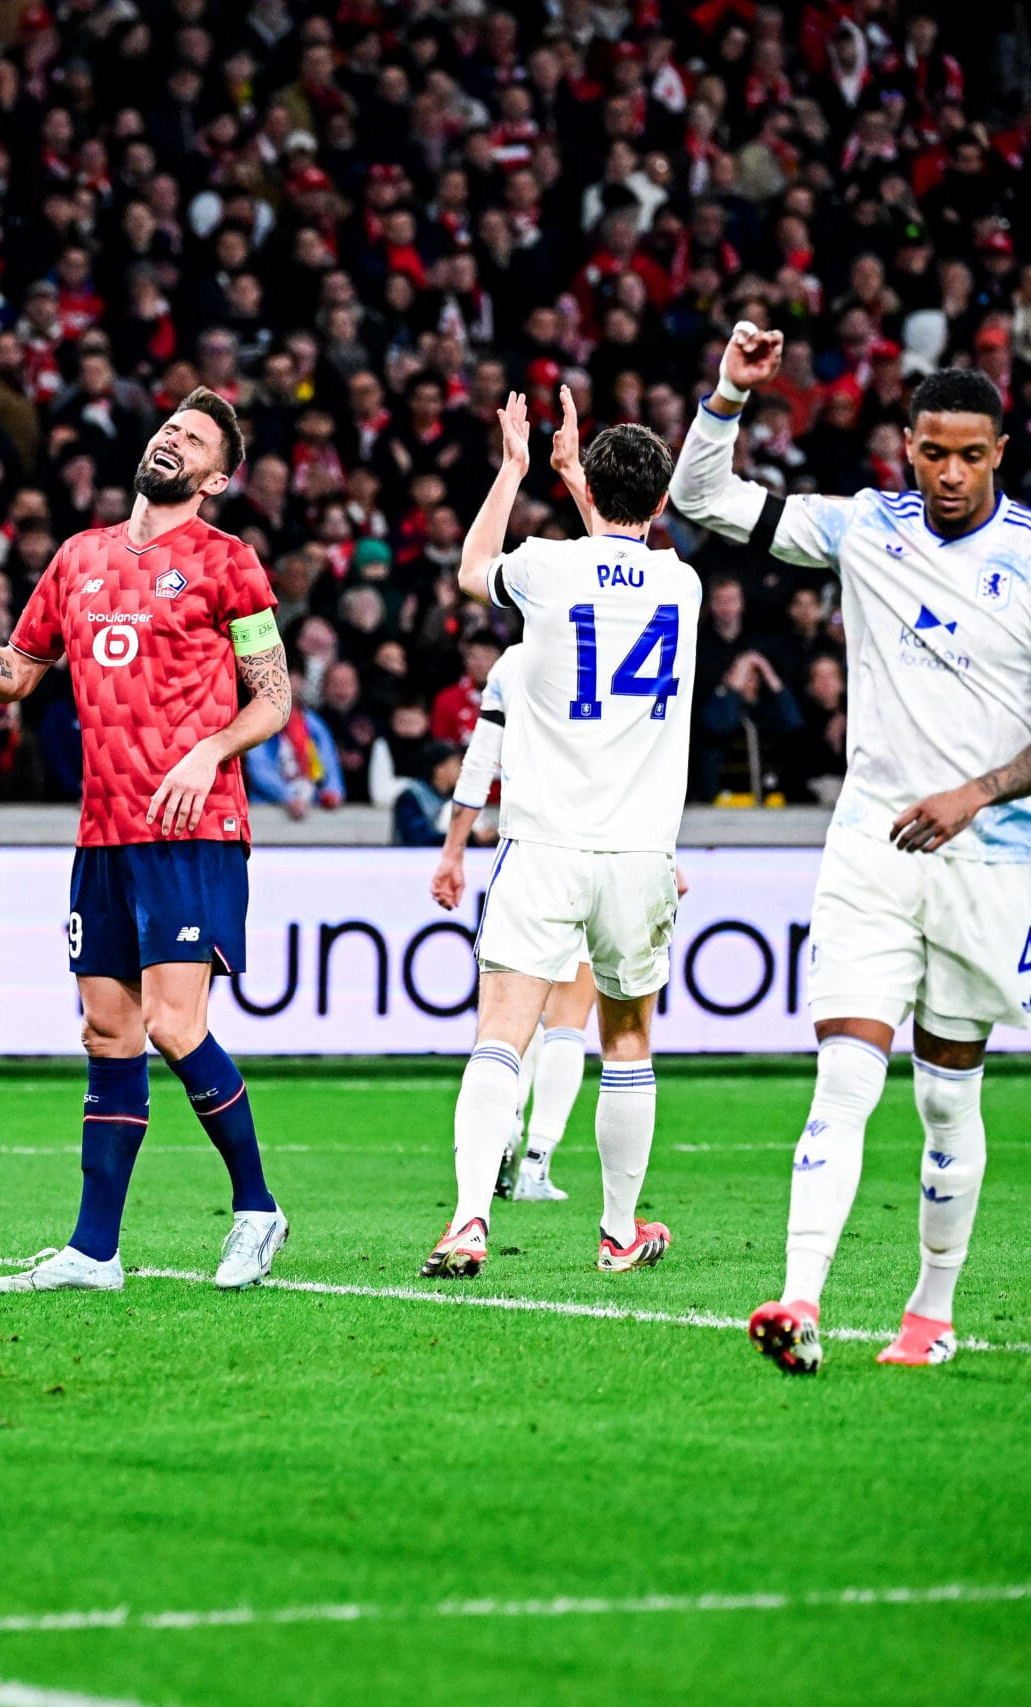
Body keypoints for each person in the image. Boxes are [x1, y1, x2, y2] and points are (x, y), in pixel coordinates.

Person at [672, 326, 1031, 1375]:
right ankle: (798, 1299)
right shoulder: (865, 527)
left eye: (967, 454)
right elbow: (704, 501)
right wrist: (727, 395)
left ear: (1000, 451)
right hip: (870, 846)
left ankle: (930, 1311)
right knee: (842, 1076)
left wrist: (978, 790)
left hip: (985, 859)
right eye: (929, 452)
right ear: (905, 448)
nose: (947, 472)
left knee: (946, 1094)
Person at [0, 387, 295, 1293]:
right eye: (171, 427)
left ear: (217, 477)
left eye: (196, 439)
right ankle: (94, 1251)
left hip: (193, 827)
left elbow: (274, 697)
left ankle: (257, 1208)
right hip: (104, 832)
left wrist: (209, 752)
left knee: (175, 1024)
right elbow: (16, 678)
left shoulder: (229, 564)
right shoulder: (79, 557)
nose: (174, 439)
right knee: (109, 1031)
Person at [422, 389, 700, 1281]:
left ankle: (468, 1221)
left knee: (501, 1035)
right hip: (638, 854)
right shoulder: (683, 585)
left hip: (541, 844)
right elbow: (626, 545)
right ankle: (619, 1233)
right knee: (626, 1040)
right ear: (660, 504)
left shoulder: (542, 566)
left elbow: (473, 569)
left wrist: (515, 470)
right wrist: (590, 486)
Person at [427, 639, 598, 1209]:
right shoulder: (621, 643)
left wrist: (453, 850)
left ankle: (500, 1138)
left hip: (528, 852)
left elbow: (480, 762)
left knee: (511, 1018)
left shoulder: (515, 661)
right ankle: (537, 1163)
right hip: (604, 848)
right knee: (570, 1019)